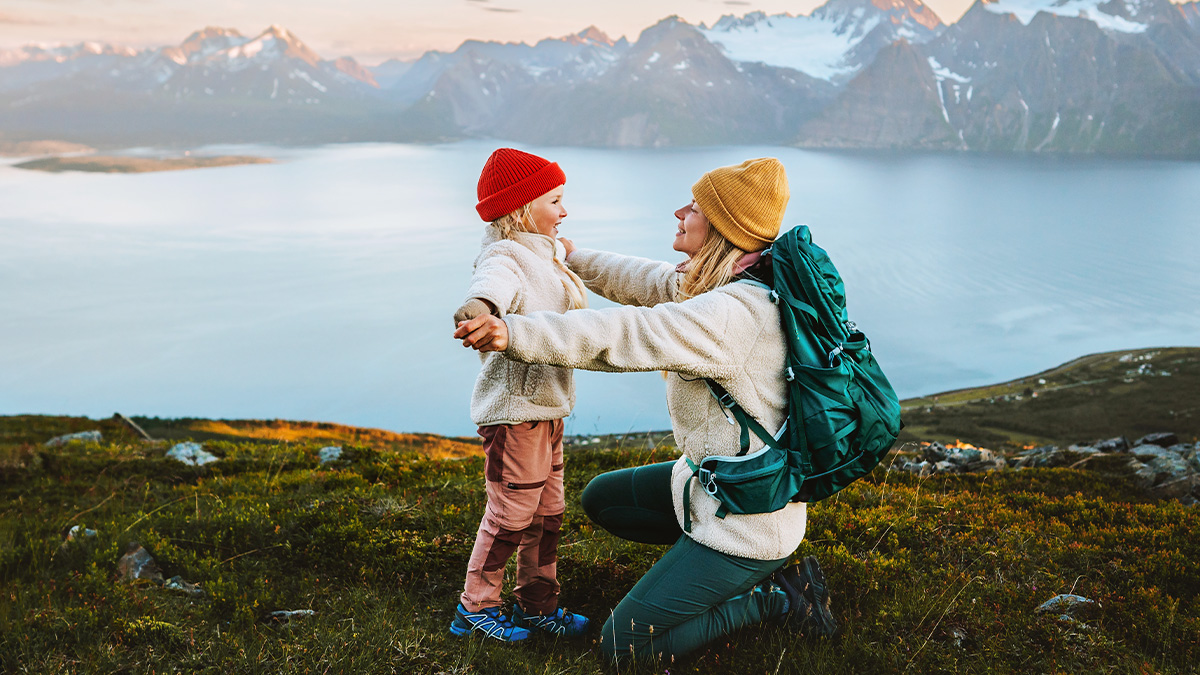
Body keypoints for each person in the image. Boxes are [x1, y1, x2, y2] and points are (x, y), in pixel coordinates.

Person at [453, 157, 836, 662]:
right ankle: (690, 567)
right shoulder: (722, 281)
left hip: (746, 519)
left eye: (695, 206)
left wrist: (514, 332)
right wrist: (570, 258)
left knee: (625, 648)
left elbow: (630, 333)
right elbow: (648, 281)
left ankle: (776, 597)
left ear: (722, 227)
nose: (680, 211)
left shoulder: (730, 313)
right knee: (603, 499)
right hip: (710, 486)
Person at [448, 148, 591, 642]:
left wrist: (561, 251)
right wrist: (478, 308)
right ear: (523, 207)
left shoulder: (541, 249)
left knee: (548, 516)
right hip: (514, 414)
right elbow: (492, 285)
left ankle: (536, 605)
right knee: (510, 517)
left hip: (548, 410)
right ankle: (476, 607)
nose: (564, 210)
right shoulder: (505, 254)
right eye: (555, 200)